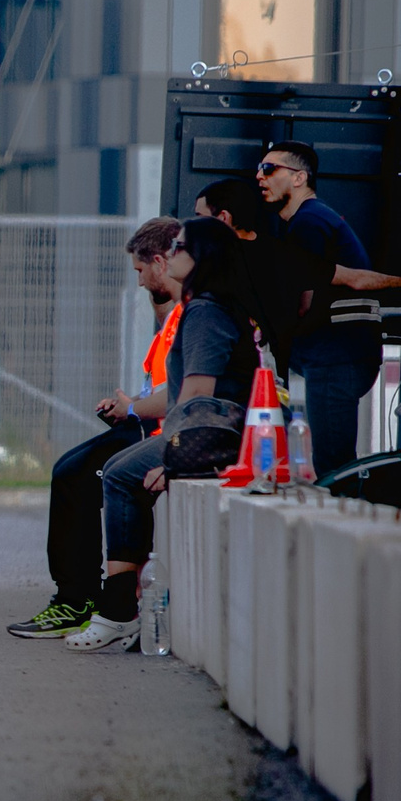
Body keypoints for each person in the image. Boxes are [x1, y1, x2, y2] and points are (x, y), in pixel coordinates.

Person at [66, 217, 262, 653]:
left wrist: (174, 460)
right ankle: (119, 604)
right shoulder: (205, 306)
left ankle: (118, 611)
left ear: (201, 257)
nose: (169, 254)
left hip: (217, 434)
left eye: (178, 246)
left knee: (118, 475)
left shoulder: (207, 312)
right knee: (116, 467)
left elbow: (197, 396)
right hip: (217, 428)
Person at [8, 216, 182, 637]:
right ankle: (73, 596)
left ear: (160, 262)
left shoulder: (192, 315)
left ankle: (81, 600)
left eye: (141, 271)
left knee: (81, 477)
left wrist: (134, 408)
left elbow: (179, 392)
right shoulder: (174, 317)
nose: (139, 283)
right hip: (147, 424)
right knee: (67, 469)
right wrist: (128, 407)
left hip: (160, 431)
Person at [253, 140, 401, 476]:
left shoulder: (308, 223)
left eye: (269, 169)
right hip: (342, 356)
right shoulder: (314, 219)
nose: (260, 177)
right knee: (333, 459)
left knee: (333, 464)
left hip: (334, 357)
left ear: (299, 178)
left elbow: (303, 302)